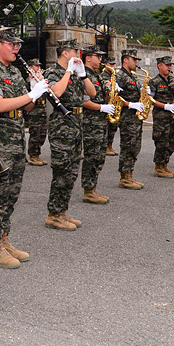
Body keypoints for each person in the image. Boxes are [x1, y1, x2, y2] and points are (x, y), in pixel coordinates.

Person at [0, 26, 49, 267]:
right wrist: (30, 95)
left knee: (12, 193)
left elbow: (26, 108)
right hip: (0, 139)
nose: (16, 48)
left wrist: (33, 89)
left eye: (18, 44)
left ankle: (5, 238)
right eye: (11, 44)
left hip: (17, 137)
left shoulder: (15, 73)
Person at [42, 39, 95, 230]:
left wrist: (82, 76)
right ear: (65, 53)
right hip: (61, 128)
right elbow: (56, 92)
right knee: (62, 171)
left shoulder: (76, 73)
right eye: (75, 51)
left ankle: (62, 212)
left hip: (76, 125)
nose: (78, 54)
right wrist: (68, 72)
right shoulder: (53, 72)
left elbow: (92, 92)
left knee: (72, 172)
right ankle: (53, 214)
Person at [80, 45, 112, 204]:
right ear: (88, 58)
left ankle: (92, 188)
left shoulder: (96, 75)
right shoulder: (83, 75)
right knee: (92, 156)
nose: (100, 59)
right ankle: (88, 190)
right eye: (97, 56)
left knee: (99, 156)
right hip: (90, 122)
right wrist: (101, 107)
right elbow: (84, 101)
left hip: (100, 121)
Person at [114, 49, 146, 188]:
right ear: (125, 60)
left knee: (135, 146)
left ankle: (130, 174)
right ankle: (124, 177)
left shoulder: (133, 76)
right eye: (134, 59)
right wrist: (130, 104)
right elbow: (114, 96)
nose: (136, 62)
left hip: (136, 117)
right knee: (128, 146)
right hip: (127, 117)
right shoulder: (120, 75)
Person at [147, 56, 174, 178]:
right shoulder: (154, 81)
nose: (169, 67)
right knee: (161, 141)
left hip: (172, 115)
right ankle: (158, 167)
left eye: (170, 65)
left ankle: (165, 165)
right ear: (159, 66)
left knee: (172, 141)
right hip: (161, 115)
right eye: (167, 65)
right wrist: (165, 106)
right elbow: (150, 99)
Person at [25, 58, 49, 166]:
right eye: (35, 66)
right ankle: (33, 156)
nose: (38, 68)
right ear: (30, 67)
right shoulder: (28, 80)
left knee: (42, 133)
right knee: (35, 132)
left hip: (42, 108)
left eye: (39, 66)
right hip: (33, 109)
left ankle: (37, 155)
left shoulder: (41, 79)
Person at [102, 56, 119, 156]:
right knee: (106, 127)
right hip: (106, 104)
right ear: (106, 65)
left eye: (114, 64)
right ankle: (105, 147)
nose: (113, 66)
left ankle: (110, 146)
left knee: (113, 127)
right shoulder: (103, 75)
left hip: (114, 104)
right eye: (111, 64)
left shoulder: (114, 75)